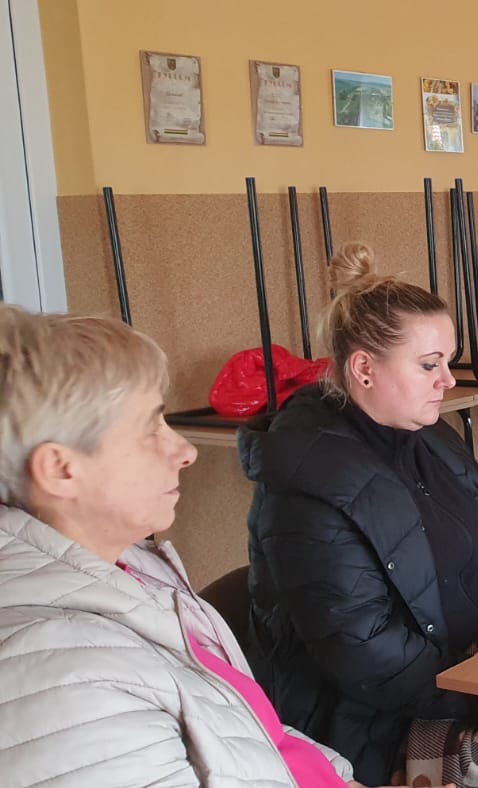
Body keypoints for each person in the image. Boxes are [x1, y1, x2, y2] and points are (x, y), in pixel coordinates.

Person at [240, 244, 478, 785]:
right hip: (379, 722)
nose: (448, 380)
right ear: (364, 368)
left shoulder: (431, 438)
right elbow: (366, 653)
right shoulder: (305, 487)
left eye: (448, 362)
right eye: (430, 365)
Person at [0, 304, 355, 785]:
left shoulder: (131, 568)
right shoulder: (67, 684)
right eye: (151, 429)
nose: (185, 452)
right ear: (61, 470)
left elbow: (250, 732)